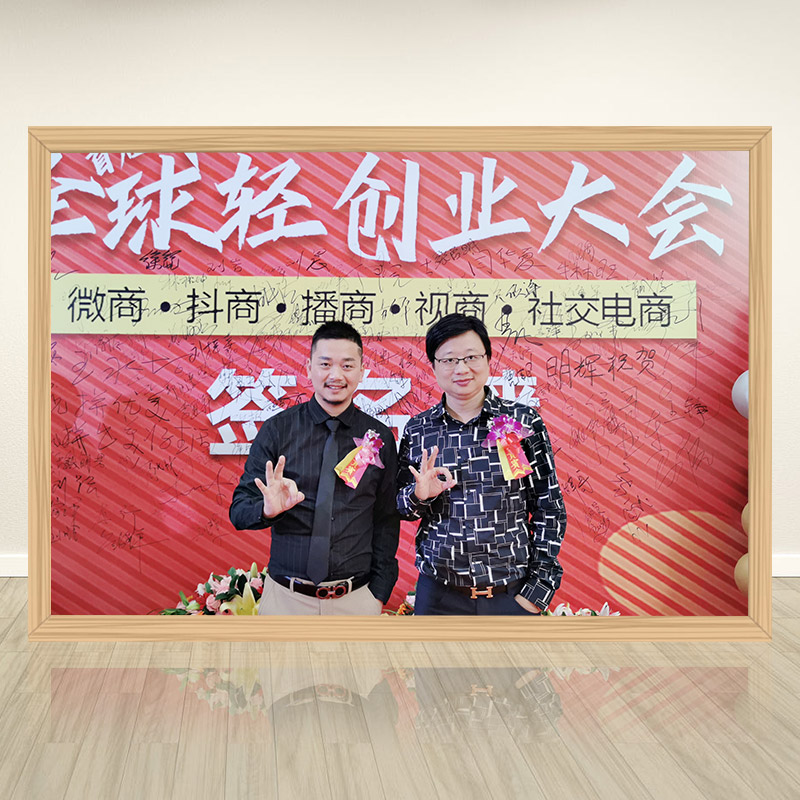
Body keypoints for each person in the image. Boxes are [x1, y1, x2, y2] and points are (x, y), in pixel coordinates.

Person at [397, 314, 566, 615]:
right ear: (434, 366)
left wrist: (537, 591)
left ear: (488, 359)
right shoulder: (419, 429)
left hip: (510, 595)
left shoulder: (522, 422)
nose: (461, 369)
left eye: (471, 357)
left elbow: (549, 505)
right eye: (449, 360)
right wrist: (419, 495)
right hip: (438, 596)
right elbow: (399, 508)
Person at [230, 321, 399, 615]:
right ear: (308, 368)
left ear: (362, 371)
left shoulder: (379, 437)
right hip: (286, 599)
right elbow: (239, 511)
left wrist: (378, 592)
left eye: (347, 365)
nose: (336, 375)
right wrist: (267, 510)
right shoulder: (277, 430)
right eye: (325, 364)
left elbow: (386, 518)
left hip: (356, 599)